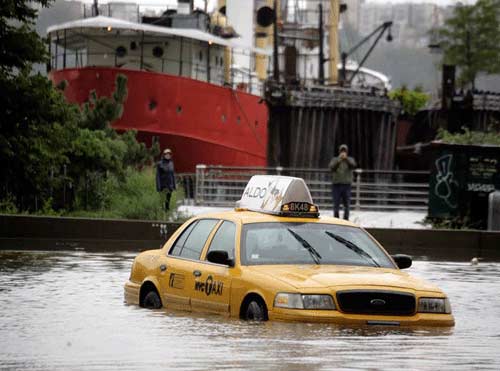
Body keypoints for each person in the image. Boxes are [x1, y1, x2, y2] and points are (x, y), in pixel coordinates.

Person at [329, 144, 357, 220]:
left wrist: (346, 159)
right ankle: (336, 219)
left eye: (344, 151)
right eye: (342, 151)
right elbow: (331, 168)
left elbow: (353, 166)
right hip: (336, 185)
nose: (343, 152)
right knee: (336, 204)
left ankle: (346, 219)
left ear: (347, 152)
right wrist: (339, 160)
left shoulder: (350, 159)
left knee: (346, 204)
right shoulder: (335, 159)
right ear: (339, 151)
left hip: (346, 185)